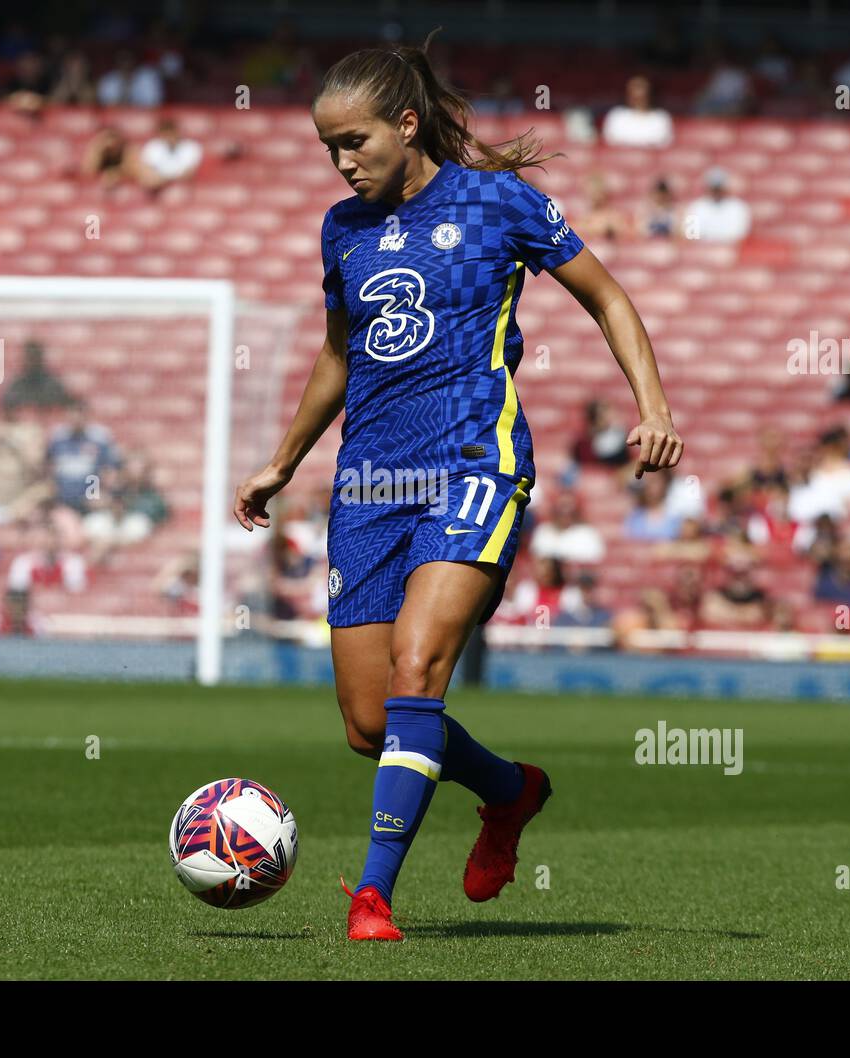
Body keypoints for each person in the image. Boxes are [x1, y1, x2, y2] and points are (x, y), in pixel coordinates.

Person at [231, 38, 683, 942]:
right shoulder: (341, 228)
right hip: (368, 482)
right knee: (371, 725)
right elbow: (338, 352)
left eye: (354, 140)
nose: (342, 160)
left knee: (416, 672)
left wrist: (653, 406)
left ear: (406, 124)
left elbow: (609, 297)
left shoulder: (496, 202)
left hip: (475, 464)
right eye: (329, 148)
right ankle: (512, 793)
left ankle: (372, 897)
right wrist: (284, 458)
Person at [601, 76, 672, 149]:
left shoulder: (661, 117)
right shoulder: (616, 115)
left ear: (650, 93)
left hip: (652, 159)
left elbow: (664, 142)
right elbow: (610, 140)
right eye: (634, 89)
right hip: (621, 158)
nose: (638, 94)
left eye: (641, 89)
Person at [135, 118, 203, 191]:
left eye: (171, 133)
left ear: (178, 132)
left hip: (183, 187)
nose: (169, 137)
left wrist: (162, 179)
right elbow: (146, 171)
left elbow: (188, 174)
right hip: (156, 188)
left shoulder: (191, 147)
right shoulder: (153, 146)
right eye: (165, 134)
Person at [685, 168, 750, 243]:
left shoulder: (739, 207)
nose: (717, 191)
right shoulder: (695, 206)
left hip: (729, 249)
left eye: (719, 188)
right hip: (702, 250)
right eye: (714, 188)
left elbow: (740, 233)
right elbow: (691, 234)